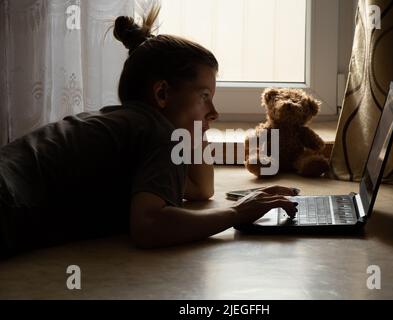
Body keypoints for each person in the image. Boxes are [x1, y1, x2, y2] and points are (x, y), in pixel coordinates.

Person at [0, 5, 298, 259]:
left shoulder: (133, 126)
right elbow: (149, 225)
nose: (215, 112)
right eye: (205, 96)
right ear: (162, 94)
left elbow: (199, 189)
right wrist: (237, 214)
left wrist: (198, 123)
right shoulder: (158, 133)